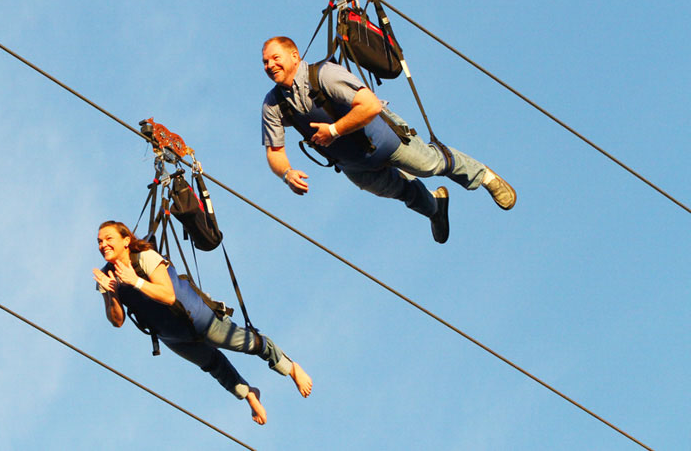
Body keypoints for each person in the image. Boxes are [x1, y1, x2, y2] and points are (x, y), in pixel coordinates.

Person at [261, 36, 516, 244]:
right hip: (355, 165)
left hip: (384, 139)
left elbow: (369, 105)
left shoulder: (324, 75)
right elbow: (275, 151)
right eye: (265, 62)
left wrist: (334, 131)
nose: (270, 65)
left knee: (430, 165)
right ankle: (436, 208)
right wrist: (287, 174)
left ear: (295, 55)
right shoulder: (274, 104)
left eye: (275, 58)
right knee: (402, 191)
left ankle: (484, 176)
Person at [92, 220, 312, 425]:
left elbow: (168, 295)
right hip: (172, 335)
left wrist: (135, 281)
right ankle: (249, 394)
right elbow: (117, 321)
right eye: (100, 241)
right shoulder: (107, 276)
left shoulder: (145, 257)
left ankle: (290, 368)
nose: (103, 244)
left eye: (108, 238)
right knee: (212, 365)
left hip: (196, 318)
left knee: (248, 344)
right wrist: (112, 293)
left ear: (126, 240)